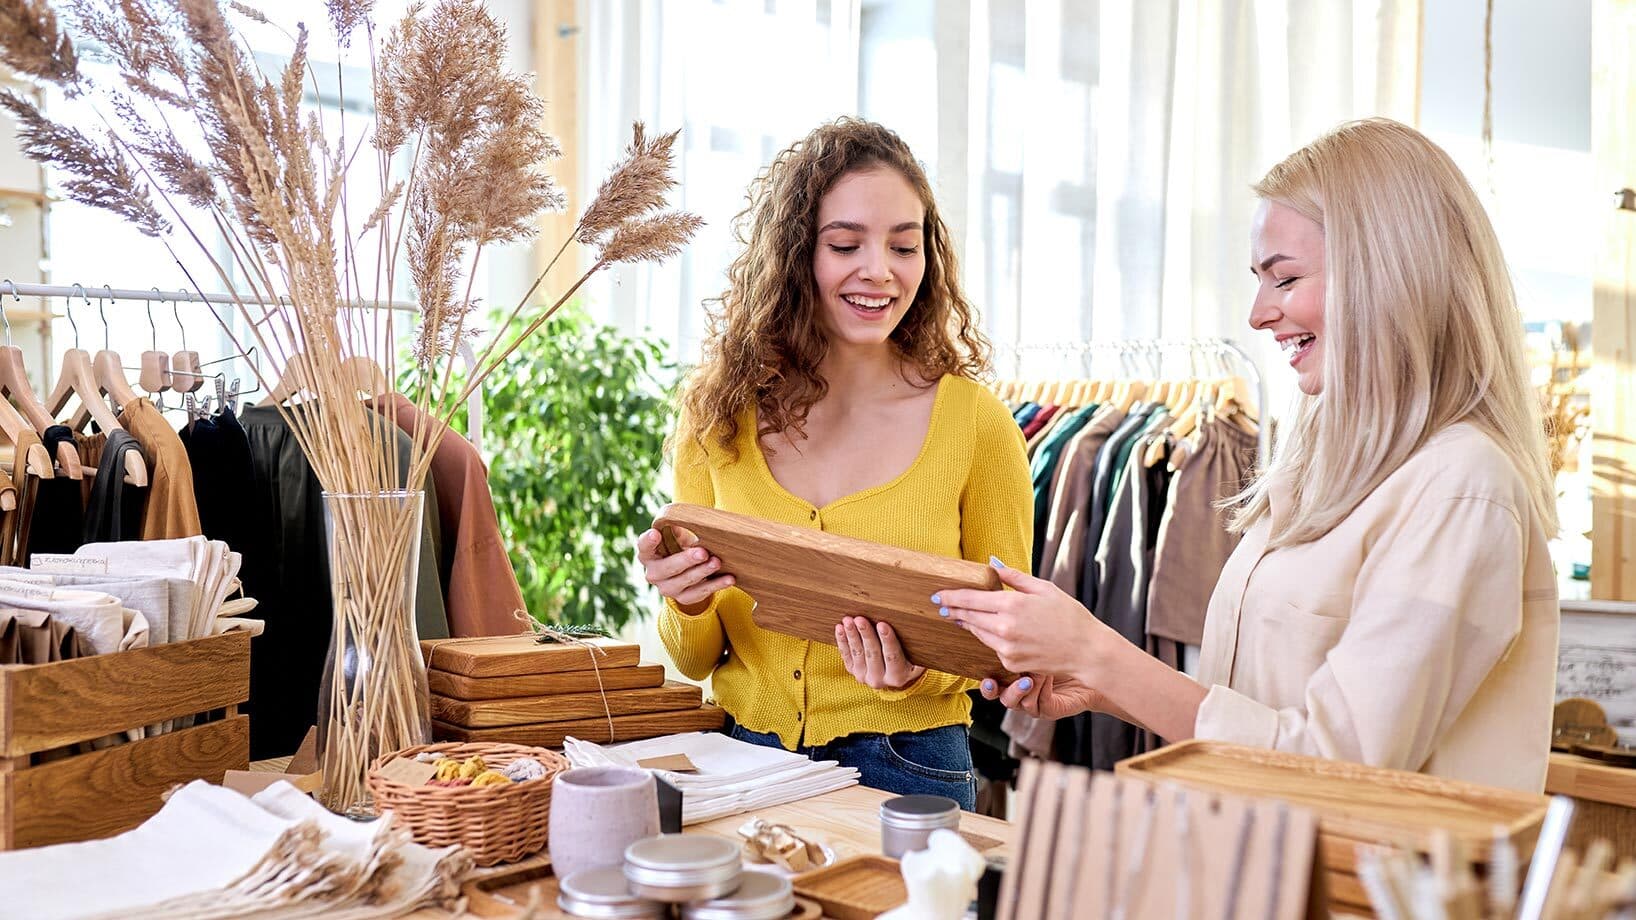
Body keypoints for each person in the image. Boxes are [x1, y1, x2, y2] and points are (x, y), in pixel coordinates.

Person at [933, 118, 1560, 793]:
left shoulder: (1461, 487)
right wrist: (1099, 685)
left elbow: (1339, 763)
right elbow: (1256, 714)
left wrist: (1100, 655)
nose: (1259, 315)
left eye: (1284, 280)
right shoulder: (1323, 469)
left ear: (1387, 276)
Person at [634, 119, 1033, 808]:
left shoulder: (977, 424)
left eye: (904, 246)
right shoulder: (716, 417)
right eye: (845, 244)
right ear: (795, 256)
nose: (879, 270)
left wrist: (918, 674)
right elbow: (695, 658)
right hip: (746, 757)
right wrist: (686, 599)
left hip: (912, 765)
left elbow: (1004, 638)